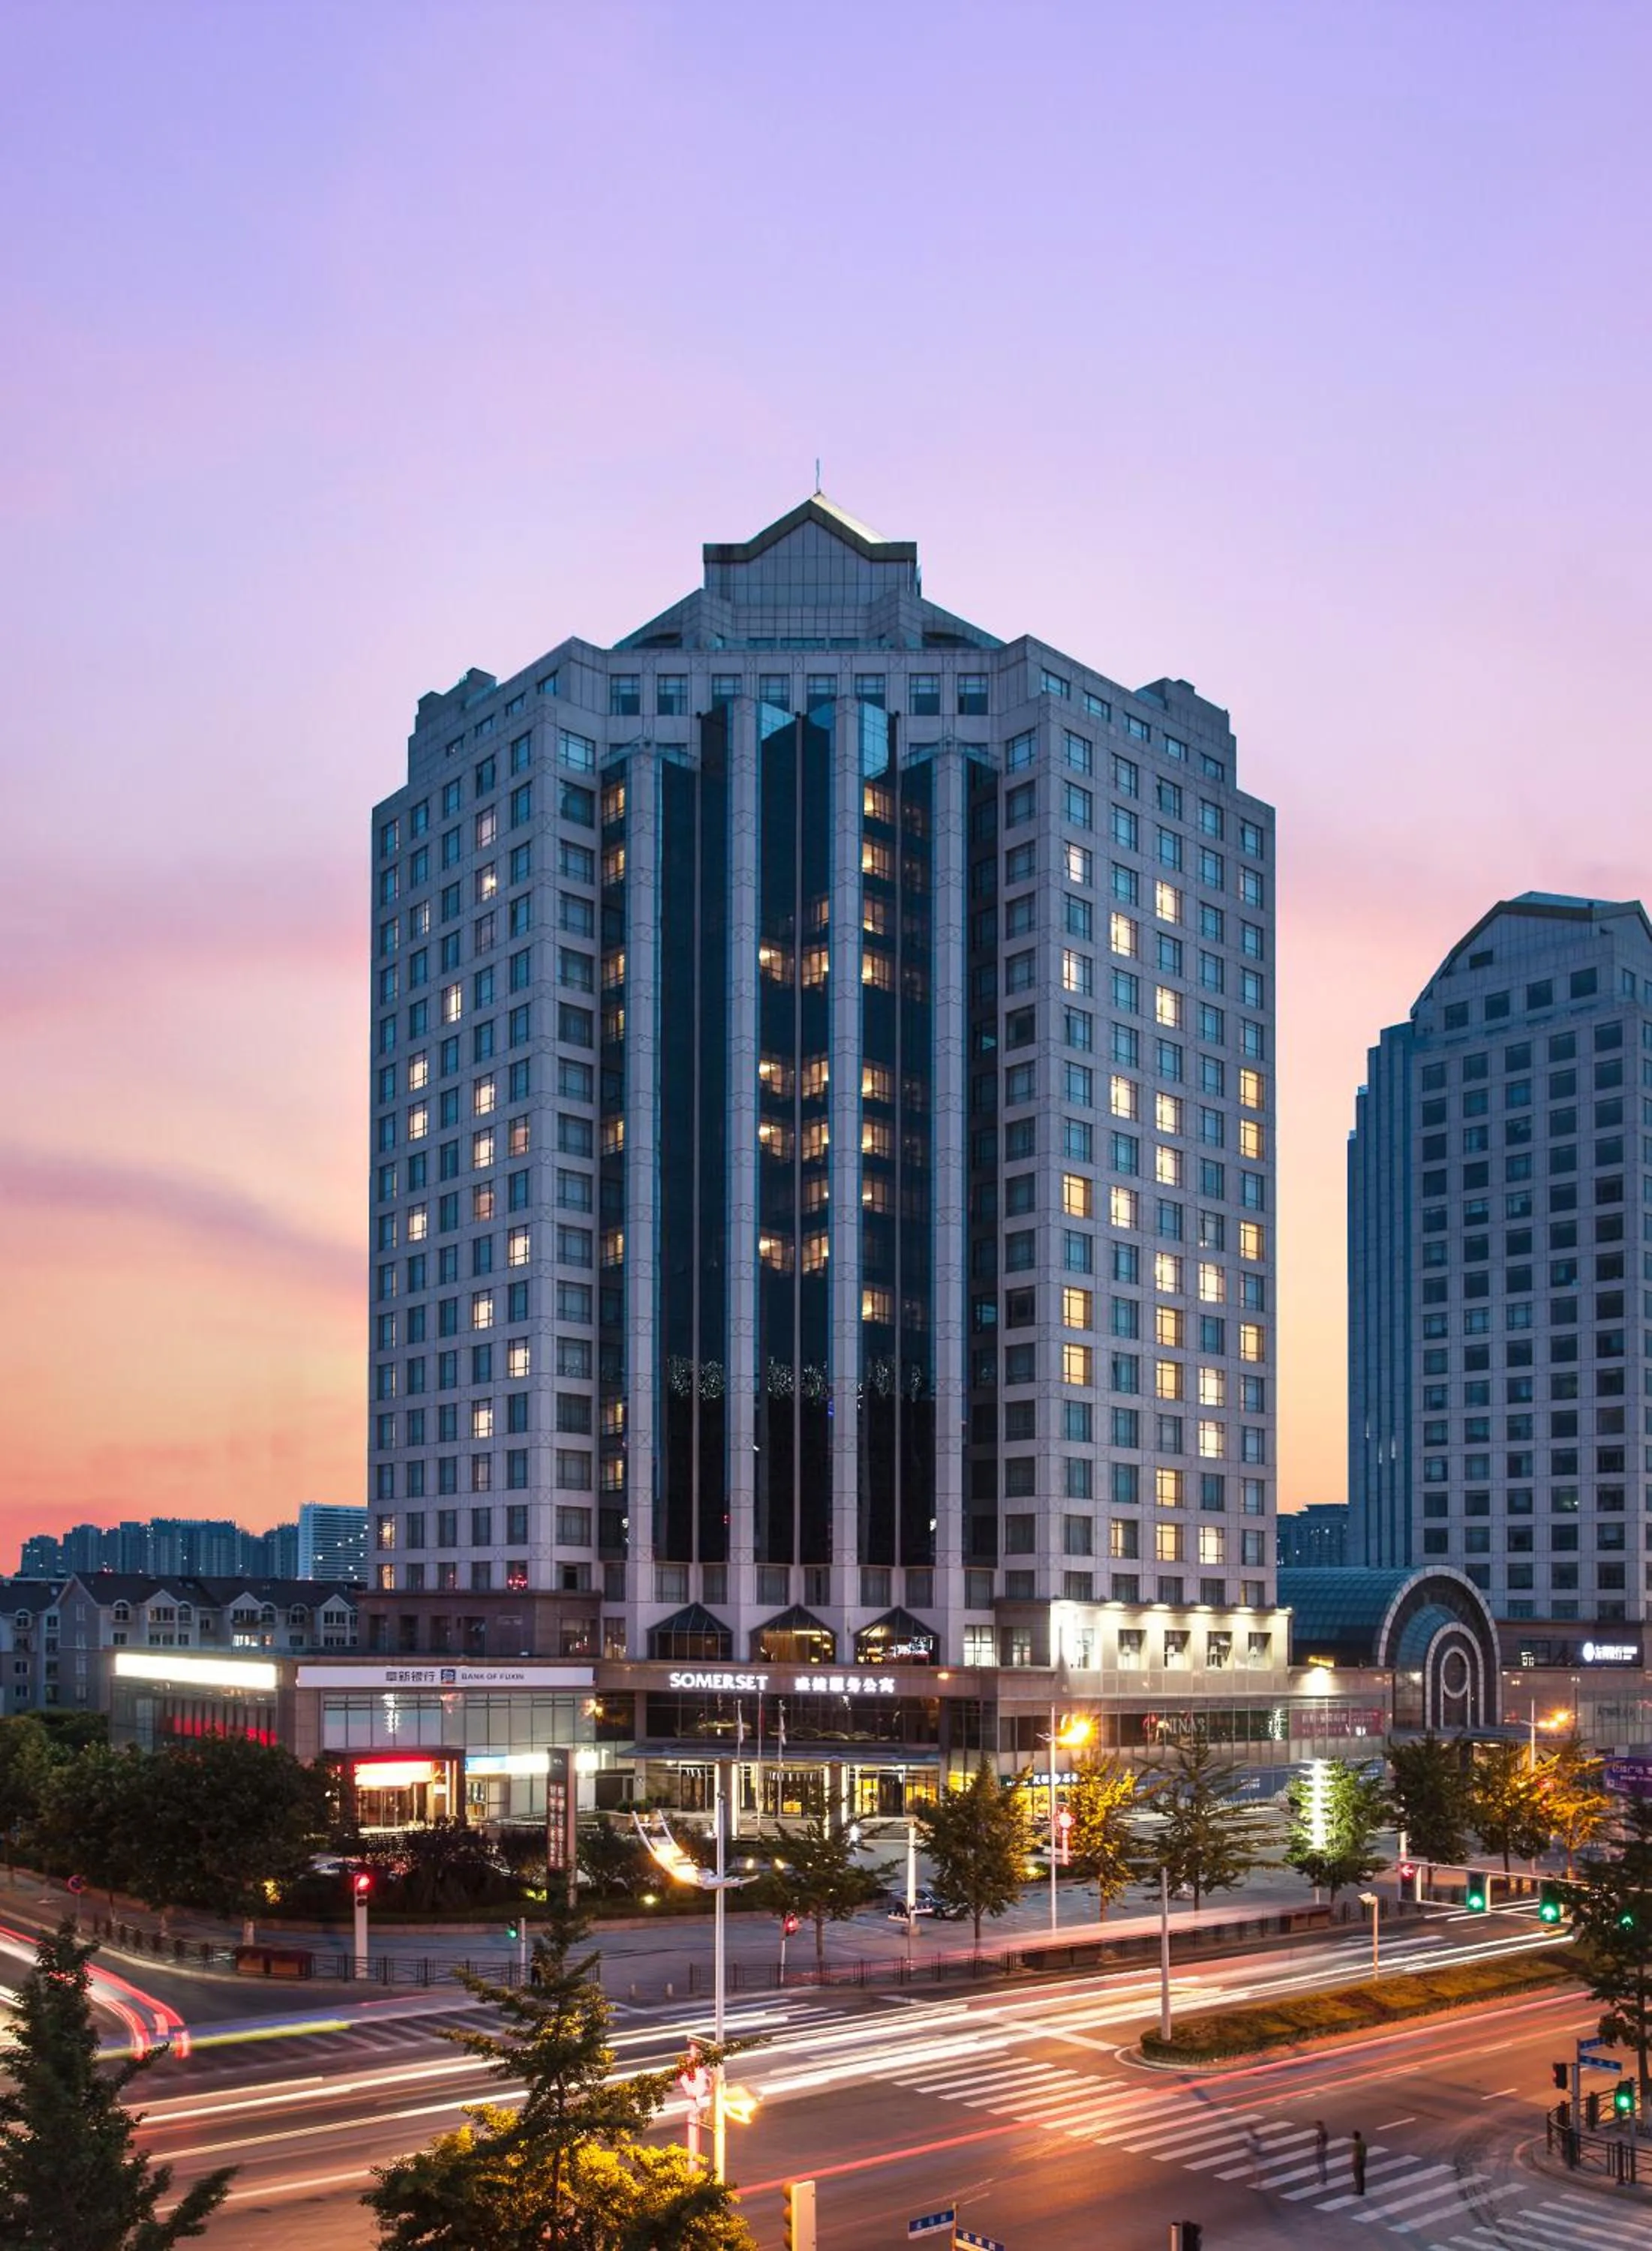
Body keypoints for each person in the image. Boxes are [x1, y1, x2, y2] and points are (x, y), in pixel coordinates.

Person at [1350, 2128, 1368, 2197]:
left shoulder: (1356, 2144)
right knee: (1362, 2176)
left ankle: (1358, 2190)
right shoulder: (1363, 2143)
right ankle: (1362, 2189)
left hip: (1358, 2161)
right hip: (1363, 2160)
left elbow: (1355, 2154)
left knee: (1357, 2176)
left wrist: (1353, 2163)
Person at [1314, 2119, 1329, 2187]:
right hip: (1323, 2148)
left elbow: (1321, 2141)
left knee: (1321, 2165)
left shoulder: (1322, 2132)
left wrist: (1319, 2149)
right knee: (1322, 2165)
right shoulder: (1324, 2131)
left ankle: (1322, 2180)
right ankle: (1324, 2179)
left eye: (1317, 2125)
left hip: (1321, 2149)